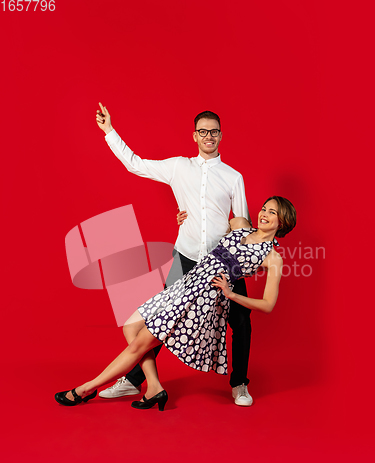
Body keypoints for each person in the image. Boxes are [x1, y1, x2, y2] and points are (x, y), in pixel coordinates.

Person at [55, 197, 297, 411]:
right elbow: (206, 225)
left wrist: (231, 295)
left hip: (201, 299)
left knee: (139, 343)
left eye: (272, 212)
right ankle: (154, 387)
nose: (263, 214)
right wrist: (185, 219)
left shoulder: (273, 257)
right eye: (264, 209)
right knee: (130, 327)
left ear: (283, 222)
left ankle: (84, 390)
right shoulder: (240, 225)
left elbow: (267, 304)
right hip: (184, 284)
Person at [93, 104, 254, 406]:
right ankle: (132, 381)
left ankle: (240, 384)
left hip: (223, 261)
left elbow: (242, 222)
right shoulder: (179, 166)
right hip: (186, 256)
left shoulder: (233, 177)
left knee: (241, 321)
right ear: (194, 136)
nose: (209, 136)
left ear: (221, 136)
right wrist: (110, 132)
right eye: (203, 131)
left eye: (214, 132)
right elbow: (136, 164)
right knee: (163, 320)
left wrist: (242, 260)